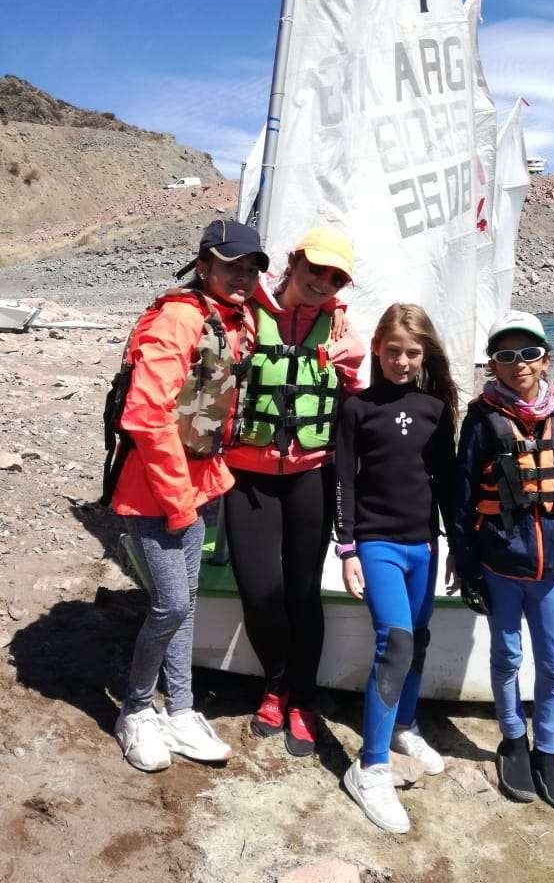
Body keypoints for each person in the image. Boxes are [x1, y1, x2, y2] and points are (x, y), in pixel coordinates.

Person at [109, 219, 268, 772]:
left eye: (251, 269)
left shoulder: (234, 316)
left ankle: (180, 709)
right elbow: (146, 415)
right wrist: (178, 503)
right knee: (171, 604)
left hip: (198, 482)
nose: (243, 277)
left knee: (187, 603)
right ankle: (134, 711)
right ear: (203, 266)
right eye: (230, 266)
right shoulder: (180, 317)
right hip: (153, 491)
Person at [449, 311, 554, 812]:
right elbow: (462, 500)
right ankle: (513, 740)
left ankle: (548, 750)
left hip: (551, 572)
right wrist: (468, 570)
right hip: (500, 568)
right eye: (506, 355)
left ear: (546, 359)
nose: (519, 363)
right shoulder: (480, 422)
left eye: (529, 353)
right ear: (492, 364)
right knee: (507, 657)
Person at [223, 227, 364, 757]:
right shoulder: (245, 314)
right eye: (315, 270)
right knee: (260, 591)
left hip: (311, 477)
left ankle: (302, 700)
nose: (323, 283)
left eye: (336, 279)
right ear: (294, 261)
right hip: (248, 476)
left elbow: (354, 407)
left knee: (302, 592)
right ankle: (277, 683)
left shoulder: (342, 331)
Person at [336, 303, 457, 834]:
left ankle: (405, 726)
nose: (402, 362)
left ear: (424, 354)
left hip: (423, 545)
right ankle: (370, 768)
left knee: (420, 638)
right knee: (397, 642)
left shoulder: (436, 409)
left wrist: (458, 547)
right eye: (392, 352)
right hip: (377, 542)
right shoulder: (357, 408)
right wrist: (346, 549)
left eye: (412, 353)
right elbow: (344, 480)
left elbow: (446, 481)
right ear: (377, 350)